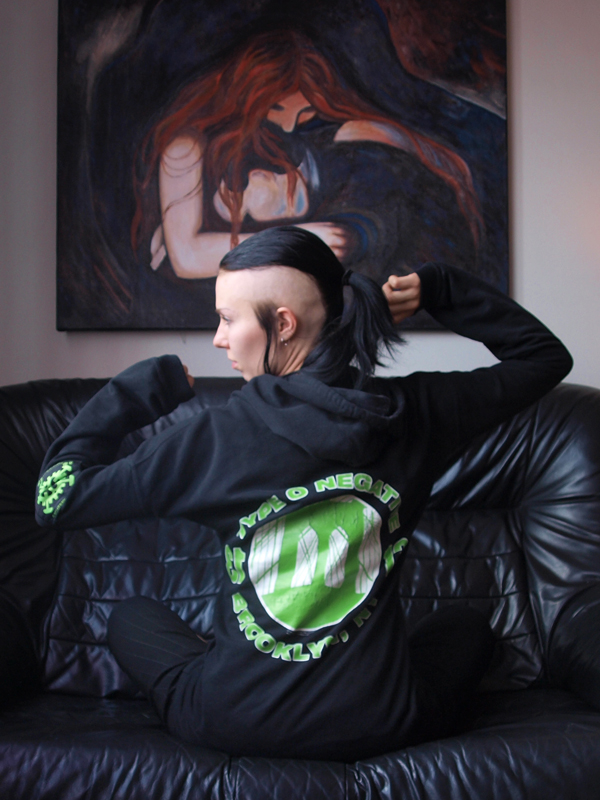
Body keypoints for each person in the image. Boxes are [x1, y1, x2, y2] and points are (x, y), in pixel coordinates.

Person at [35, 226, 572, 761]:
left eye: (227, 319)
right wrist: (439, 289)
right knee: (469, 628)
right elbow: (544, 358)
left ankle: (227, 660)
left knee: (130, 616)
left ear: (284, 324)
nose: (219, 338)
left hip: (230, 721)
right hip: (384, 722)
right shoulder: (417, 413)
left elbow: (55, 499)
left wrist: (138, 390)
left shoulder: (209, 439)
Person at [132, 29, 482, 280]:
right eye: (275, 109)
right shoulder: (187, 147)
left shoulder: (320, 143)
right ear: (244, 97)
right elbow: (188, 258)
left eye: (306, 114)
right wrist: (307, 238)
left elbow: (391, 139)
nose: (288, 127)